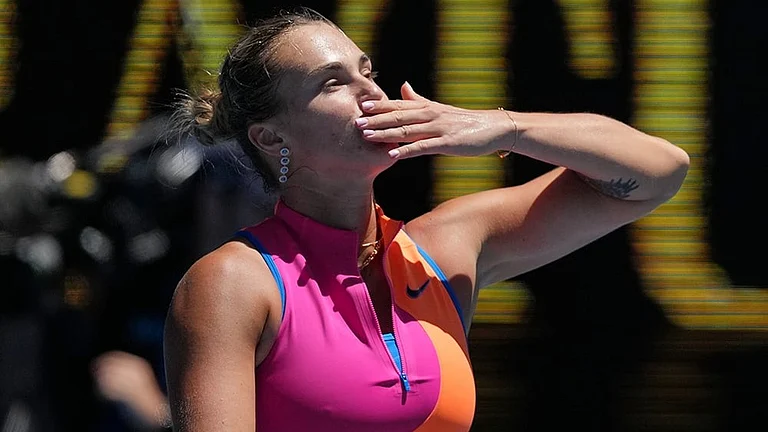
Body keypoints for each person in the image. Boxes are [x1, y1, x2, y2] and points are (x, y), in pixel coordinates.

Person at [162, 7, 689, 431]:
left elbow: (660, 171)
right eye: (332, 83)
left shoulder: (443, 248)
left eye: (367, 72)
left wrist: (504, 127)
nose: (371, 92)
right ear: (270, 136)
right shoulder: (231, 282)